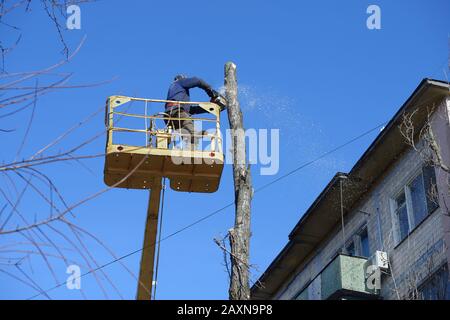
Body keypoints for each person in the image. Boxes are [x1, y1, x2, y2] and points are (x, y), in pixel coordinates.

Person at [164, 74, 224, 148]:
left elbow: (190, 110)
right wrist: (210, 91)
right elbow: (197, 81)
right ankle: (194, 140)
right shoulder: (180, 82)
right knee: (192, 132)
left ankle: (189, 149)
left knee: (187, 136)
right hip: (176, 112)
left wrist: (210, 108)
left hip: (170, 115)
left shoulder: (176, 93)